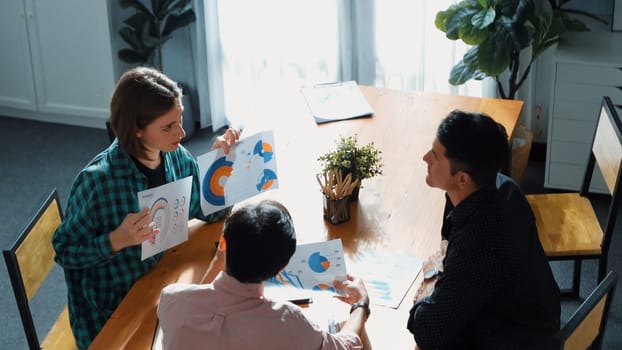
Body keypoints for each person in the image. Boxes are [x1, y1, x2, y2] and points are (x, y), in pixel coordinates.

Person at [52, 66, 240, 350]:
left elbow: (207, 212)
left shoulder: (176, 155)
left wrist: (219, 166)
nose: (182, 131)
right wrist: (116, 240)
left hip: (160, 278)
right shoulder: (98, 183)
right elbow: (64, 251)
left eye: (179, 119)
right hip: (112, 310)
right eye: (168, 126)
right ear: (137, 130)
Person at [407, 110, 561, 349]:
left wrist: (429, 289)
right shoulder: (501, 186)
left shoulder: (482, 239)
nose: (425, 158)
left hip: (517, 339)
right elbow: (448, 244)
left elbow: (429, 330)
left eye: (435, 156)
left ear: (462, 179)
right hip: (524, 318)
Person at [157, 199, 371, 350]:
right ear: (282, 266)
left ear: (223, 243)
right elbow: (345, 346)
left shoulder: (172, 300)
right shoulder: (289, 322)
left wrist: (218, 261)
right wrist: (361, 305)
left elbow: (202, 298)